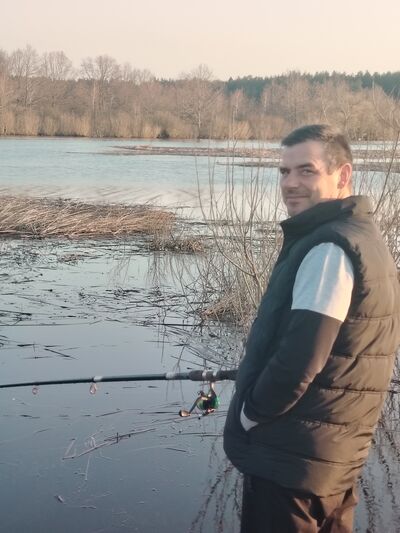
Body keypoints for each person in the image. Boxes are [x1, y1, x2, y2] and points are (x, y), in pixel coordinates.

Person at [223, 124, 400, 532]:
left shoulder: (328, 249)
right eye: (284, 172)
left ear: (343, 175)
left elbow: (300, 360)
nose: (290, 183)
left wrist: (250, 415)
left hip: (292, 465)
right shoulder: (363, 236)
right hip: (330, 458)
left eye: (307, 170)